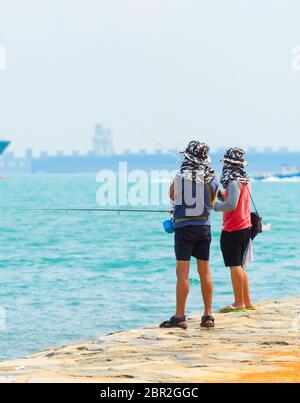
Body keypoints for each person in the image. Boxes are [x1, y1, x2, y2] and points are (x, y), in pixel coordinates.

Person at [160, 141, 219, 329]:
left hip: (184, 229)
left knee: (183, 274)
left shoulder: (180, 178)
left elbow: (172, 196)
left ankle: (180, 317)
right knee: (205, 272)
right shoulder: (212, 179)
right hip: (204, 228)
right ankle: (208, 315)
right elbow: (211, 201)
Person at [213, 147, 255, 313]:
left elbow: (231, 205)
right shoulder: (245, 180)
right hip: (245, 227)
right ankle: (247, 302)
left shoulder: (233, 181)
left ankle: (239, 302)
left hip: (233, 229)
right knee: (241, 267)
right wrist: (221, 196)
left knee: (235, 266)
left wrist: (214, 206)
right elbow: (233, 200)